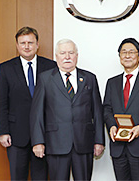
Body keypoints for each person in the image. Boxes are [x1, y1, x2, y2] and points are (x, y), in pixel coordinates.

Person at [30, 39, 105, 181]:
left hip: (83, 143)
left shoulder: (89, 78)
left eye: (71, 53)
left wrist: (99, 141)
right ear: (56, 56)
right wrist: (38, 142)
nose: (67, 57)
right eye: (63, 53)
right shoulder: (45, 79)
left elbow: (97, 112)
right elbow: (37, 113)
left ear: (77, 55)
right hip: (56, 143)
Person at [0, 26, 56, 180]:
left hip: (43, 136)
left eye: (30, 42)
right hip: (15, 135)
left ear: (37, 44)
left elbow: (55, 102)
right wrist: (3, 132)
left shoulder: (51, 67)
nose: (27, 46)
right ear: (17, 45)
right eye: (22, 43)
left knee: (41, 177)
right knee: (17, 177)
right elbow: (0, 103)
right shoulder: (6, 68)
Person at [103, 38, 139, 180]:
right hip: (118, 147)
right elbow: (106, 108)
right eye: (124, 52)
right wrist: (111, 126)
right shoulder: (112, 82)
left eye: (131, 52)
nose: (127, 56)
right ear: (120, 57)